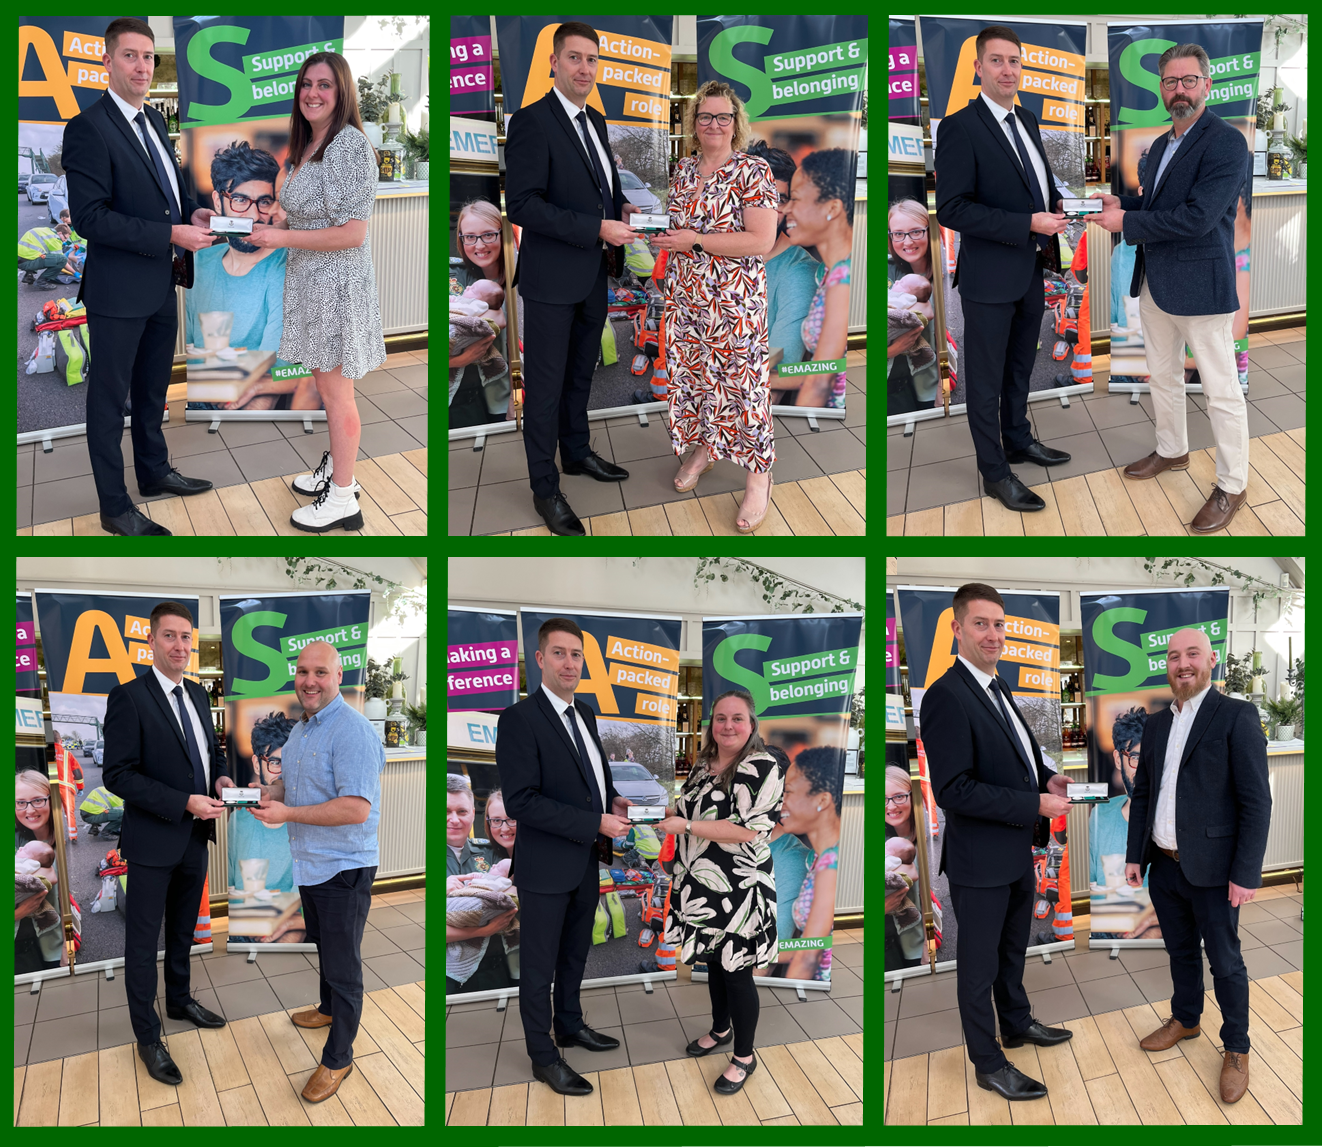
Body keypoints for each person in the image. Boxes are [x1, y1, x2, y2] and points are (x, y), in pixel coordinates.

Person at [918, 582, 1074, 1101]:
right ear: (957, 628)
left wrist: (1046, 781)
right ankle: (988, 1063)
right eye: (980, 624)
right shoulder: (946, 695)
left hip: (1012, 854)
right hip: (978, 861)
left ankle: (1017, 1023)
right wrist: (1034, 805)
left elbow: (1020, 755)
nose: (993, 634)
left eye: (999, 624)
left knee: (1012, 952)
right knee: (978, 966)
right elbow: (953, 790)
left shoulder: (996, 686)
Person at [63, 17, 218, 536]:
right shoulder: (87, 127)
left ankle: (153, 474)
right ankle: (114, 507)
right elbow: (90, 218)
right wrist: (170, 234)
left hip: (159, 286)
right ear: (107, 62)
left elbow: (166, 189)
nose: (142, 66)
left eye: (149, 57)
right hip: (117, 291)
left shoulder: (153, 119)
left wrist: (192, 213)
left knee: (153, 391)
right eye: (130, 55)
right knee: (109, 403)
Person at [1091, 44, 1253, 532]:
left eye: (1187, 81)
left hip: (1202, 286)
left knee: (1221, 391)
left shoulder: (1226, 143)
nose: (1178, 90)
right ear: (1160, 88)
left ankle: (1233, 484)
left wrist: (1127, 221)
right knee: (1161, 377)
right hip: (1156, 284)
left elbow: (1199, 218)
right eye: (1169, 82)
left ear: (1207, 84)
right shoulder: (1160, 146)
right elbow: (1155, 203)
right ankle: (1172, 450)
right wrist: (1118, 201)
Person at [1123, 628, 1271, 1104]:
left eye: (1191, 654)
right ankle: (1186, 1019)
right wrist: (1134, 855)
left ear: (1212, 659)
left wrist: (1246, 873)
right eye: (1172, 657)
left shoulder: (1237, 716)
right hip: (1164, 867)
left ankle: (1236, 1047)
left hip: (1214, 870)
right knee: (1180, 953)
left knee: (1225, 961)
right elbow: (1144, 793)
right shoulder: (1156, 723)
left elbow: (1256, 802)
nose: (1182, 663)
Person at [504, 22, 638, 535]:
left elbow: (596, 191)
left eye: (592, 60)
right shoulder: (532, 122)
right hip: (551, 279)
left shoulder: (596, 121)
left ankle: (577, 453)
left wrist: (618, 207)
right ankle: (545, 488)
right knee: (542, 389)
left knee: (580, 375)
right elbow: (523, 205)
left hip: (592, 276)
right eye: (575, 58)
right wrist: (596, 226)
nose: (585, 68)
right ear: (554, 63)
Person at [934, 25, 1074, 514]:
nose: (1008, 69)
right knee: (987, 378)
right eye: (997, 60)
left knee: (1020, 367)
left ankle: (1018, 440)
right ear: (978, 68)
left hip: (1031, 269)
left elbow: (1032, 189)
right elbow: (952, 208)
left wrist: (1060, 207)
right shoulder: (959, 127)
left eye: (1015, 61)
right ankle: (995, 471)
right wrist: (1026, 221)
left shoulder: (1028, 120)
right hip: (989, 278)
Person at [246, 51, 386, 532]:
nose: (312, 93)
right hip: (310, 281)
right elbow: (302, 214)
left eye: (324, 85)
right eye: (307, 83)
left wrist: (279, 236)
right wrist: (270, 223)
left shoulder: (347, 145)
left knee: (336, 392)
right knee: (328, 390)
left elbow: (352, 233)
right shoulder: (308, 143)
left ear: (341, 91)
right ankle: (337, 469)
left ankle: (344, 497)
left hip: (337, 284)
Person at [495, 617, 631, 1096]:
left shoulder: (586, 712)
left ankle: (569, 1024)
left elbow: (592, 776)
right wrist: (594, 821)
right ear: (540, 659)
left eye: (576, 655)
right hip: (546, 867)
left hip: (584, 862)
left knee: (575, 953)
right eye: (559, 653)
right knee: (538, 968)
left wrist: (610, 801)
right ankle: (543, 1056)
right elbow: (521, 802)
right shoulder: (519, 719)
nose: (569, 663)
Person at [248, 640, 386, 1103]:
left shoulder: (353, 731)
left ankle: (338, 1058)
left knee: (345, 966)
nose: (309, 681)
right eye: (303, 671)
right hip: (311, 864)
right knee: (325, 945)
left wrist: (286, 814)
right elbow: (299, 782)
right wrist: (274, 793)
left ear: (339, 677)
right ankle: (328, 1009)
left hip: (343, 868)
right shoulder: (303, 728)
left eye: (320, 672)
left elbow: (354, 809)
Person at [101, 601, 228, 1087]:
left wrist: (218, 779)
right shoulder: (129, 697)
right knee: (142, 943)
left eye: (186, 638)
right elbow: (118, 775)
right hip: (154, 840)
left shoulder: (196, 694)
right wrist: (183, 802)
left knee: (181, 930)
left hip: (195, 838)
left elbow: (210, 750)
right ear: (150, 642)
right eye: (170, 636)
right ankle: (148, 1036)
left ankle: (179, 1000)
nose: (180, 645)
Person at [655, 81, 778, 532]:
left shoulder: (753, 170)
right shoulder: (682, 170)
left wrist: (697, 241)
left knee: (744, 391)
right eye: (704, 116)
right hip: (688, 298)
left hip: (734, 303)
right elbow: (676, 227)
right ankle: (706, 449)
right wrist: (661, 235)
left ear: (736, 122)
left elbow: (761, 241)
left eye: (722, 116)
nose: (713, 124)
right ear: (693, 123)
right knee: (700, 381)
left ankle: (759, 476)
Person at [656, 690, 782, 1094]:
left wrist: (687, 827)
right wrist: (671, 813)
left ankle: (745, 1057)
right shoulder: (703, 762)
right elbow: (688, 808)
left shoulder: (762, 765)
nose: (728, 726)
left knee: (737, 971)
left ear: (752, 723)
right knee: (713, 963)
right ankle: (720, 1029)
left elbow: (749, 829)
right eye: (721, 718)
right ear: (711, 722)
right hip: (701, 880)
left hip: (740, 886)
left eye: (737, 718)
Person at [187, 141, 317, 412]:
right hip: (204, 395)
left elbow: (282, 370)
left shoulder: (287, 267)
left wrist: (257, 391)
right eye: (239, 200)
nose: (253, 215)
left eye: (264, 201)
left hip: (257, 397)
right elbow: (194, 352)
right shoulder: (200, 261)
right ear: (217, 202)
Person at [741, 141, 817, 407]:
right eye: (754, 196)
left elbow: (781, 375)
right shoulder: (722, 252)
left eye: (778, 199)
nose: (766, 210)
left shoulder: (798, 273)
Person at [783, 148, 856, 411]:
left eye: (795, 199)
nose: (787, 209)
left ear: (832, 208)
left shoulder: (843, 279)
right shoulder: (829, 271)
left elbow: (819, 383)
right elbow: (826, 367)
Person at [225, 710, 303, 942]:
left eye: (293, 762)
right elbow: (234, 884)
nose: (284, 774)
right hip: (247, 918)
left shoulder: (308, 818)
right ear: (257, 765)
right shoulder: (239, 819)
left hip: (294, 918)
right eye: (276, 762)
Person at [1089, 706, 1160, 940]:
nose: (1145, 770)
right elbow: (1094, 887)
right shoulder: (1100, 815)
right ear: (1118, 760)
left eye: (1152, 757)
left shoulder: (1176, 824)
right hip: (1106, 944)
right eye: (1136, 757)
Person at [771, 747, 842, 981]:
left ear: (821, 800)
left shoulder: (827, 863)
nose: (782, 802)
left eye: (788, 792)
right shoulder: (815, 858)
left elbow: (808, 956)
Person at [445, 773, 516, 993]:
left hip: (494, 969)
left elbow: (509, 905)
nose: (454, 820)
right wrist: (480, 932)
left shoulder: (493, 853)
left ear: (473, 813)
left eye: (462, 811)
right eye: (445, 811)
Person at [450, 198, 515, 424]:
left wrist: (516, 400)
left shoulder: (520, 284)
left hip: (504, 397)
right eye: (470, 237)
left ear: (502, 233)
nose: (479, 245)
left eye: (488, 234)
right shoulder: (458, 277)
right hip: (470, 398)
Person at [888, 198, 941, 413]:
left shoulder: (945, 274)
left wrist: (942, 389)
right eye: (898, 234)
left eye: (916, 231)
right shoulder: (890, 270)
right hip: (896, 384)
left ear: (930, 231)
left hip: (929, 384)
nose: (907, 241)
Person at [15, 770, 66, 974]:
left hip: (51, 944)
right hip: (21, 944)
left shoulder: (63, 844)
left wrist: (67, 946)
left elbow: (64, 900)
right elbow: (49, 877)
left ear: (51, 800)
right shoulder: (17, 840)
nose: (29, 809)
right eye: (21, 802)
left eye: (37, 800)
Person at [884, 765, 929, 970]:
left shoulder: (928, 842)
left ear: (913, 796)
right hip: (893, 944)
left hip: (919, 946)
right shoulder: (884, 845)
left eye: (899, 796)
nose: (890, 806)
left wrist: (929, 946)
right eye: (883, 798)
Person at [17, 221, 76, 287]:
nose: (65, 240)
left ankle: (29, 276)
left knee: (39, 253)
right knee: (62, 259)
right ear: (60, 233)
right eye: (65, 238)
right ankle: (42, 282)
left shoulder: (44, 230)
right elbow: (63, 261)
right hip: (26, 263)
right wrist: (74, 272)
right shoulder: (55, 239)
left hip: (19, 259)